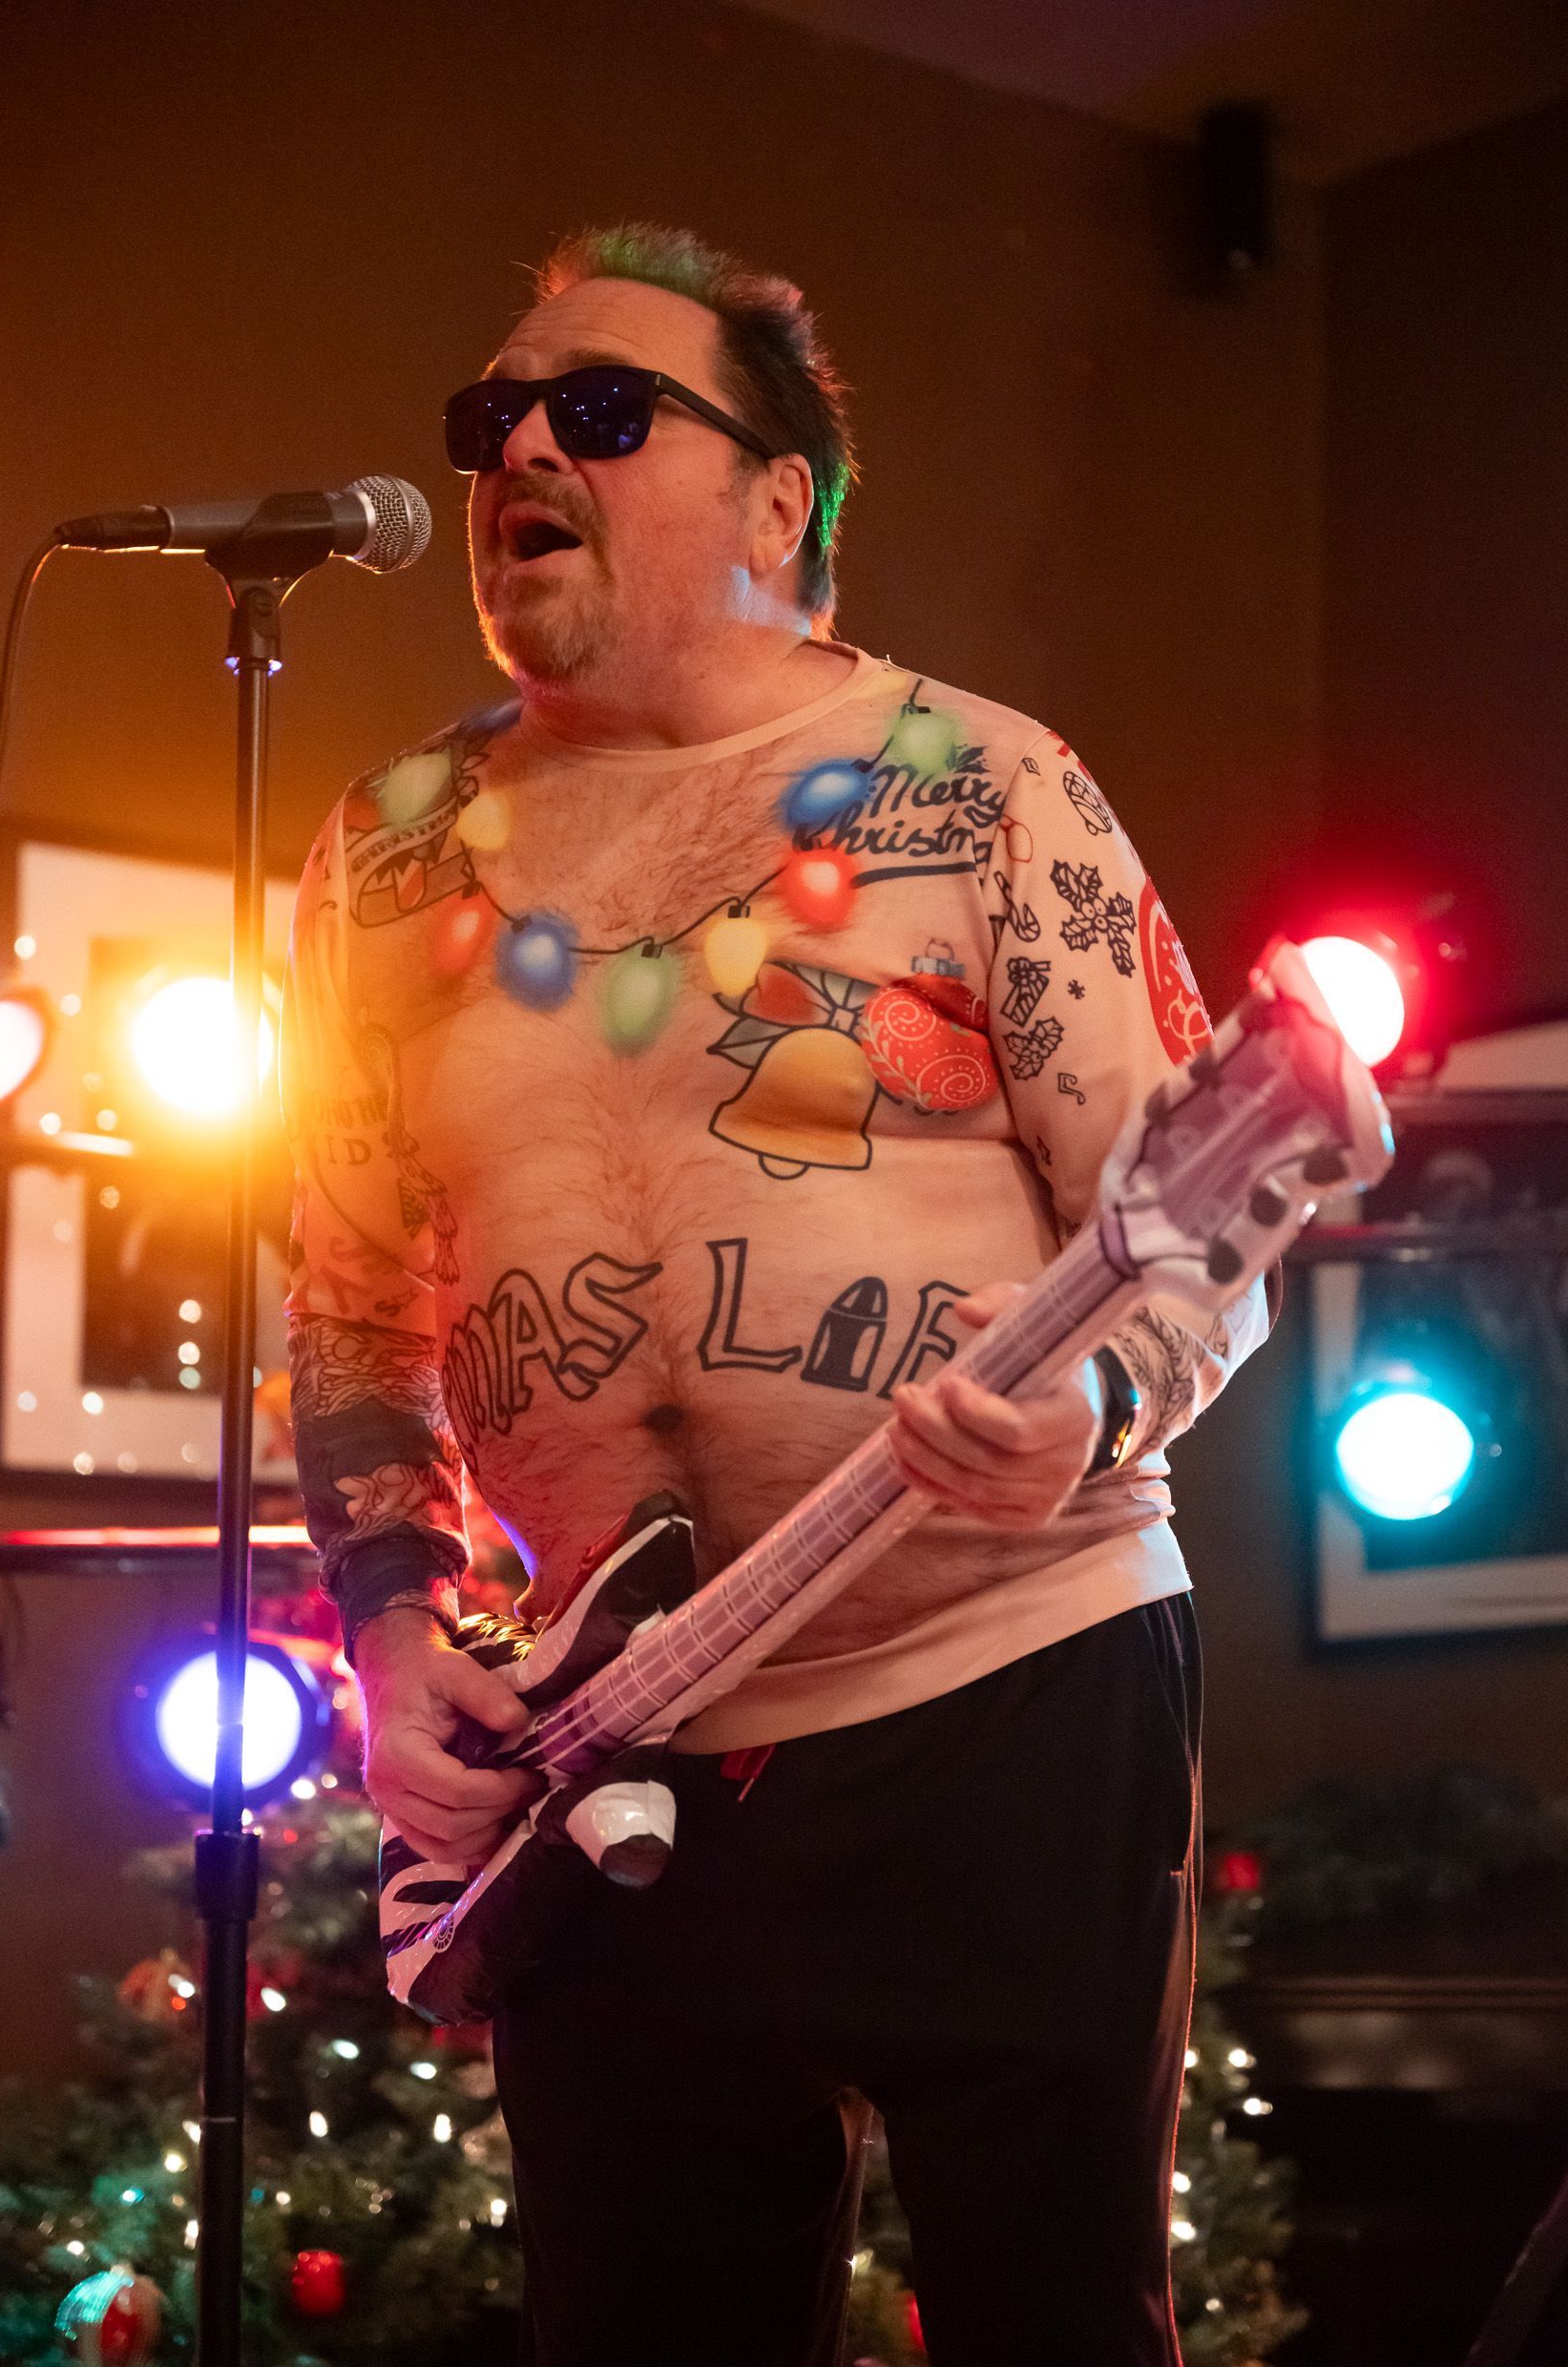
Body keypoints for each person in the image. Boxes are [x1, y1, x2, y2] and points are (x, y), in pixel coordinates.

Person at [281, 222, 1271, 2367]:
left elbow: (1204, 1232)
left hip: (1005, 1680)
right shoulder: (380, 856)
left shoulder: (993, 784)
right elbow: (349, 1302)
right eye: (493, 418)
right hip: (612, 1736)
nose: (522, 442)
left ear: (775, 504)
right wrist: (385, 1627)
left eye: (601, 410)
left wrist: (1088, 1417)